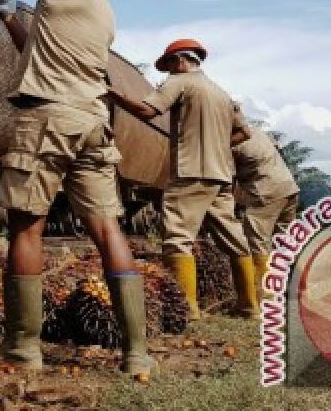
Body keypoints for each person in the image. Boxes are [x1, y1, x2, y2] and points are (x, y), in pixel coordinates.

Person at [0, 0, 155, 378]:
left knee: (26, 225)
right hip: (93, 123)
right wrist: (10, 19)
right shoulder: (102, 11)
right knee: (107, 228)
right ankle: (136, 352)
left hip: (48, 120)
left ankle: (23, 346)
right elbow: (41, 52)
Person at [105, 39, 259, 320]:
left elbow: (147, 111)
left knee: (177, 237)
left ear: (179, 61)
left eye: (168, 66)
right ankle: (250, 306)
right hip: (221, 175)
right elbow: (244, 133)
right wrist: (215, 146)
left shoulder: (180, 82)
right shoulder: (222, 94)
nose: (168, 73)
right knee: (234, 240)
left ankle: (188, 310)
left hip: (191, 172)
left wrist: (112, 94)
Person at [230, 109, 299, 297]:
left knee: (256, 242)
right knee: (284, 241)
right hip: (289, 189)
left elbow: (228, 179)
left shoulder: (232, 145)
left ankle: (263, 293)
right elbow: (278, 149)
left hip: (266, 193)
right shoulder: (259, 134)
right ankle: (294, 286)